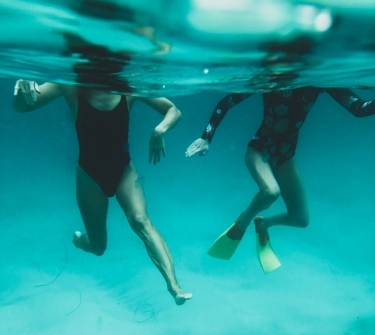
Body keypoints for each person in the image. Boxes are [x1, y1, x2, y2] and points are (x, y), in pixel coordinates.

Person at [13, 80, 192, 305]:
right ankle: (81, 240)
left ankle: (174, 287)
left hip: (125, 173)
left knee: (140, 221)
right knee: (98, 247)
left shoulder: (131, 86)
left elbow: (173, 110)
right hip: (90, 179)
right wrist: (21, 88)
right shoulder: (68, 86)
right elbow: (22, 106)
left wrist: (159, 130)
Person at [186, 88, 375, 271]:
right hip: (259, 150)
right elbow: (226, 102)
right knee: (271, 192)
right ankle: (241, 226)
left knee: (300, 219)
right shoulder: (272, 77)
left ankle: (264, 224)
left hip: (285, 157)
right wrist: (206, 137)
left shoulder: (318, 81)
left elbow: (360, 108)